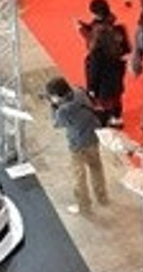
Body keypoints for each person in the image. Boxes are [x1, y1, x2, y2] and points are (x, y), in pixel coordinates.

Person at [45, 76, 108, 215]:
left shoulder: (63, 111)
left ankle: (84, 206)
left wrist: (53, 107)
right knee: (96, 167)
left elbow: (56, 124)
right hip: (93, 136)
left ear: (57, 96)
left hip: (77, 145)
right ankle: (102, 197)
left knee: (79, 176)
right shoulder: (79, 92)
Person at [83, 0, 129, 127]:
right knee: (116, 95)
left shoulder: (97, 50)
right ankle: (117, 117)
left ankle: (108, 119)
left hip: (103, 79)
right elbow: (126, 50)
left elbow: (94, 70)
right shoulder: (118, 29)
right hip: (117, 70)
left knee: (104, 101)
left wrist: (91, 87)